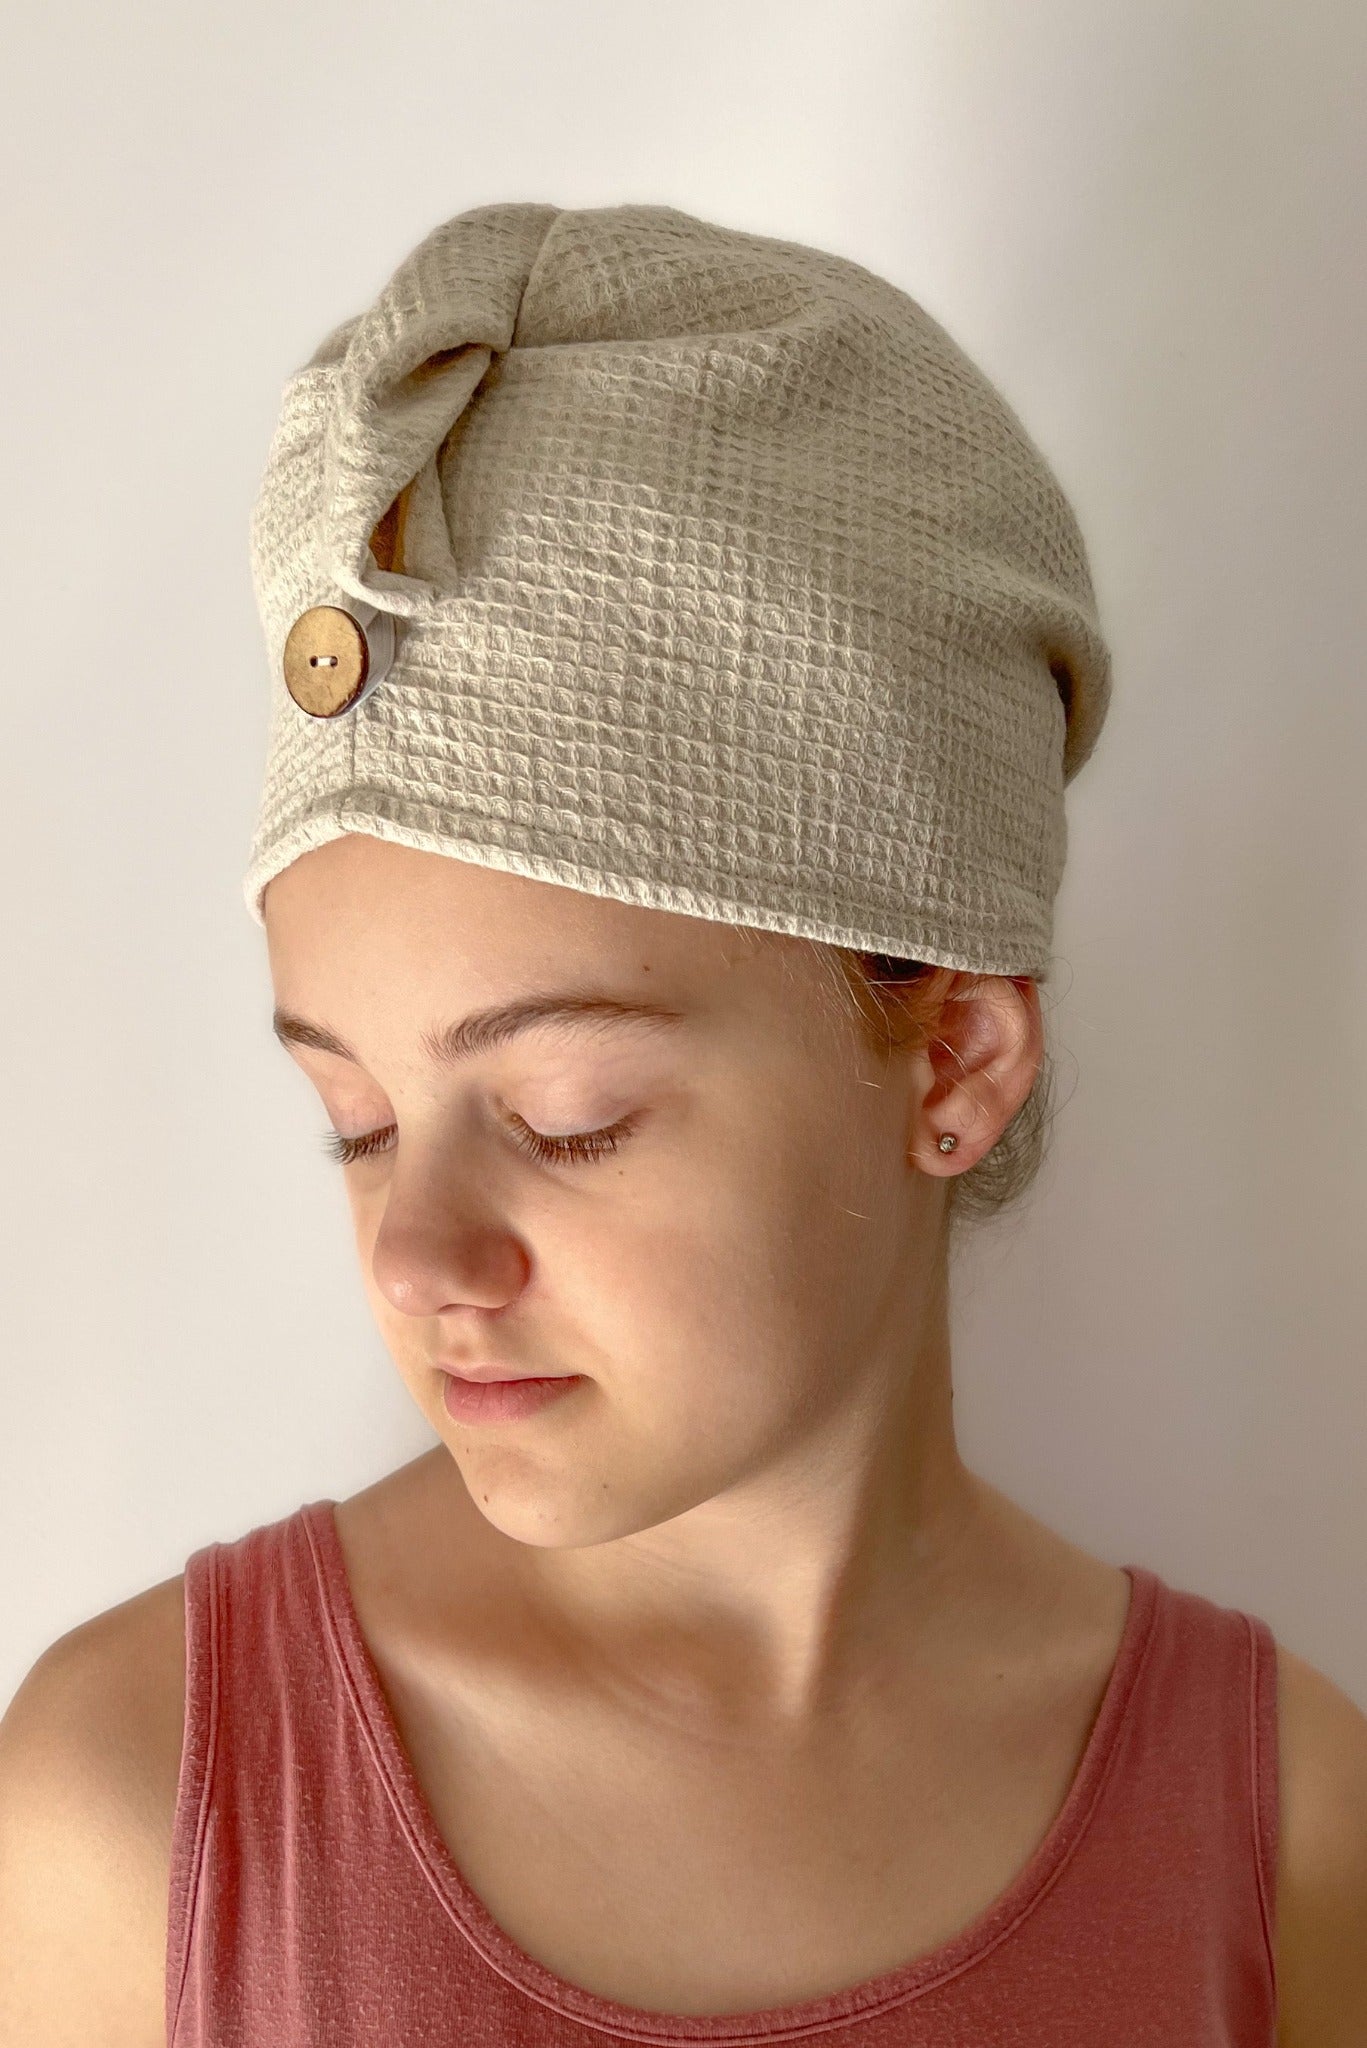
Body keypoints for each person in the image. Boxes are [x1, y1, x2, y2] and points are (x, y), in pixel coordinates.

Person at [1, 200, 1364, 2047]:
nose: (414, 1258)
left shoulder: (1289, 1842)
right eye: (354, 1116)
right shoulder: (133, 1811)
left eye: (566, 1118)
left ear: (952, 1057)